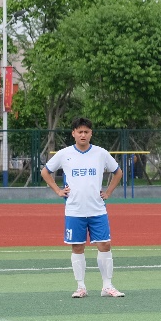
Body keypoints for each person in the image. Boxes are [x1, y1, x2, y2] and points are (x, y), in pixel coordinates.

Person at [41, 117, 125, 298]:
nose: (83, 135)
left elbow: (118, 172)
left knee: (105, 245)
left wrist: (108, 192)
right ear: (73, 133)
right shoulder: (64, 154)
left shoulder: (101, 153)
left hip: (97, 209)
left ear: (91, 133)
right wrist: (58, 190)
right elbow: (45, 171)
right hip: (74, 210)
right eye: (80, 131)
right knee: (77, 247)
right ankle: (81, 287)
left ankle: (107, 286)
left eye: (86, 132)